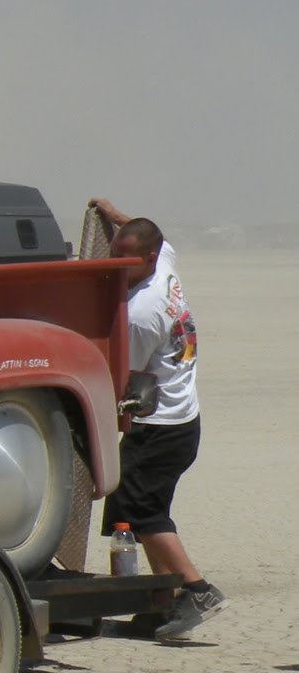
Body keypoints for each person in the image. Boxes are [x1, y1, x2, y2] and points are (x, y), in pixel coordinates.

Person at [90, 198, 227, 641]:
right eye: (115, 257)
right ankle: (160, 604)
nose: (118, 266)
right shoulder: (162, 261)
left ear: (146, 257)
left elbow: (120, 381)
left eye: (126, 260)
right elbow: (146, 230)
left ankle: (197, 590)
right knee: (135, 508)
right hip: (182, 420)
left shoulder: (141, 313)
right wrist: (112, 213)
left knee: (145, 514)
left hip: (160, 428)